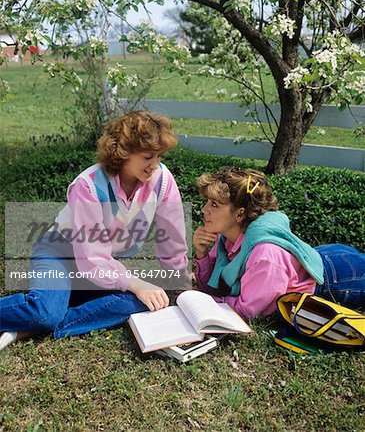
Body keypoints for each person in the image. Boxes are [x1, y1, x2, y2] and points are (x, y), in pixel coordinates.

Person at [0, 111, 189, 350]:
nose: (155, 164)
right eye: (148, 156)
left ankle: (46, 323)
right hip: (60, 253)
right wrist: (133, 282)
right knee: (44, 311)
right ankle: (44, 317)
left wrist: (179, 277)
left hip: (99, 266)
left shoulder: (162, 179)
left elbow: (172, 235)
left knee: (145, 300)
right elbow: (92, 256)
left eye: (160, 156)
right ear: (124, 152)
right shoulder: (88, 185)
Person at [193, 167, 365, 320]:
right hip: (318, 257)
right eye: (207, 202)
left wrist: (202, 302)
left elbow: (247, 311)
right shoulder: (226, 238)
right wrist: (201, 254)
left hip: (339, 278)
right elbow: (213, 286)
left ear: (240, 214)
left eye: (214, 205)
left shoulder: (265, 255)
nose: (204, 210)